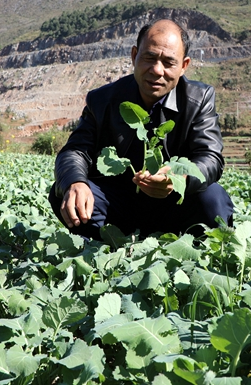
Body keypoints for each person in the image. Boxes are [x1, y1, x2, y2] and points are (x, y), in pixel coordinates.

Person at [49, 19, 235, 239]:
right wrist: (76, 182)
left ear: (184, 66)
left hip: (174, 207)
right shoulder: (103, 100)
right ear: (134, 55)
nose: (157, 70)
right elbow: (75, 151)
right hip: (117, 208)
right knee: (67, 192)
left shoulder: (198, 99)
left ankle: (185, 248)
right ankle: (114, 243)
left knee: (213, 199)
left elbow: (210, 157)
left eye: (168, 62)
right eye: (149, 58)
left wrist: (179, 178)